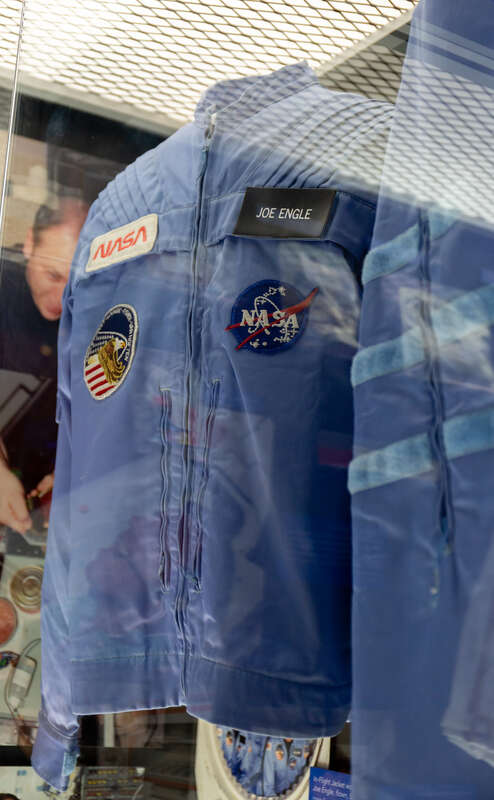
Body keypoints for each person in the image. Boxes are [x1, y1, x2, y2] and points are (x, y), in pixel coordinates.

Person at [0, 199, 88, 535]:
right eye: (52, 275)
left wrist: (68, 468)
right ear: (28, 244)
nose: (62, 297)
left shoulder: (100, 306)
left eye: (77, 281)